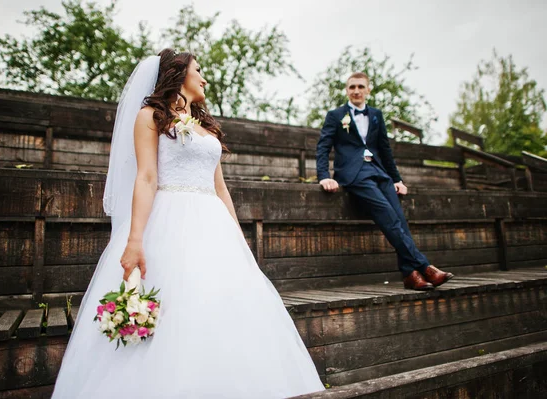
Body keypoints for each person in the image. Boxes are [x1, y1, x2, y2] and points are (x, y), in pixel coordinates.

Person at [51, 49, 325, 398]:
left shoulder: (205, 126)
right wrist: (134, 240)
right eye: (199, 70)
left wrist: (239, 239)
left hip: (213, 225)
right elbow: (147, 178)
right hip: (170, 220)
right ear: (178, 74)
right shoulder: (149, 116)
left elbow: (220, 188)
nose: (205, 78)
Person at [316, 72, 454, 291]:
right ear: (347, 90)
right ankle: (424, 267)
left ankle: (410, 274)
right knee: (388, 216)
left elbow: (385, 150)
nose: (356, 91)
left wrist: (397, 179)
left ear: (368, 90)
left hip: (380, 172)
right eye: (352, 87)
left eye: (361, 86)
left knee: (399, 218)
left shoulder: (377, 115)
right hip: (354, 174)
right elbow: (323, 146)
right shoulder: (335, 115)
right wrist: (323, 176)